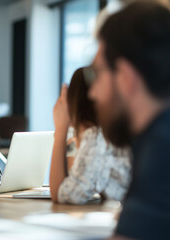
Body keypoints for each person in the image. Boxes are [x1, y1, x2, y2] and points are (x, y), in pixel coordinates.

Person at [87, 1, 170, 239]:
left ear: (125, 76)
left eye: (97, 74)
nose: (93, 93)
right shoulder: (153, 138)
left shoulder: (161, 150)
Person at [50, 68, 131, 204]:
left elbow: (63, 194)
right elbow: (76, 177)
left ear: (72, 102)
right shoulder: (110, 132)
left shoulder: (96, 137)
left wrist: (60, 130)